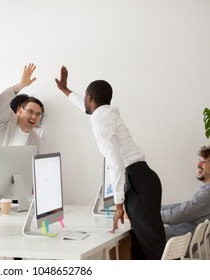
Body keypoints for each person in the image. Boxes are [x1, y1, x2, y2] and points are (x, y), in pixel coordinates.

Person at [55, 66, 166, 260]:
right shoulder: (107, 113)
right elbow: (86, 107)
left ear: (89, 98)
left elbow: (116, 164)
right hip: (146, 178)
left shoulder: (100, 120)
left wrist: (118, 205)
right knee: (140, 246)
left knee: (154, 250)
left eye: (85, 98)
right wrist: (65, 90)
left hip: (137, 183)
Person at [0, 63, 48, 154]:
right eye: (30, 111)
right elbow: (2, 100)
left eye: (38, 114)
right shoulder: (6, 121)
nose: (34, 117)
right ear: (20, 110)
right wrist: (21, 85)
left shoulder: (35, 139)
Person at [161, 145, 210, 240]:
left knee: (131, 236)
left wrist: (148, 214)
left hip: (175, 242)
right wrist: (153, 209)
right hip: (176, 238)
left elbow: (177, 215)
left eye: (204, 161)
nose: (198, 164)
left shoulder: (207, 194)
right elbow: (182, 207)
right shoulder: (206, 192)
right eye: (199, 160)